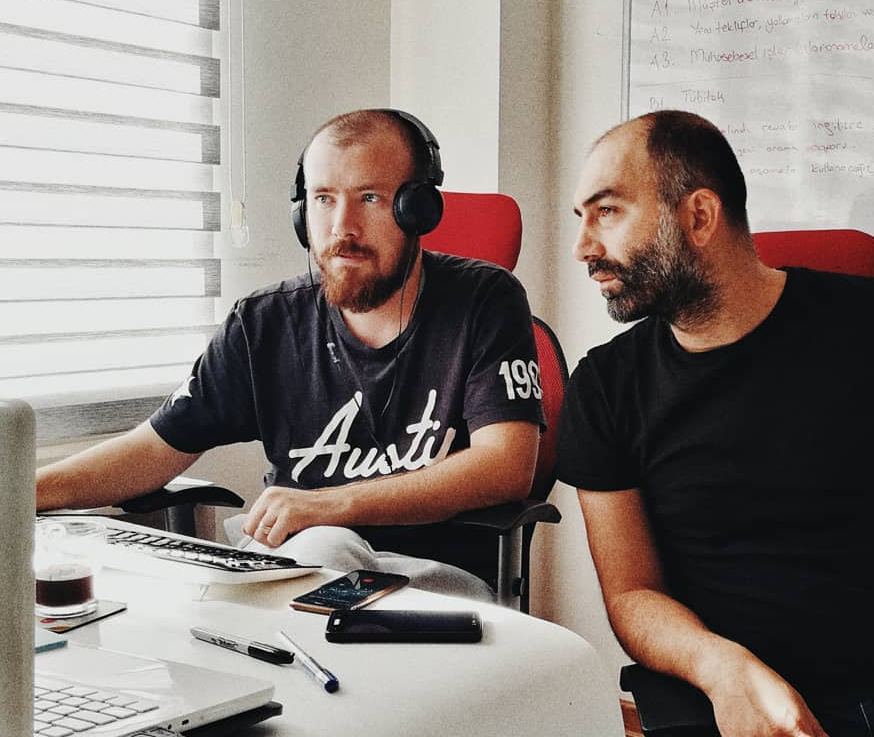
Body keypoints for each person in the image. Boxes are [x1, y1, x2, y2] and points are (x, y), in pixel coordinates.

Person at [557, 109, 874, 737]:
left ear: (699, 216)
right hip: (751, 697)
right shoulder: (605, 388)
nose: (583, 247)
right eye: (582, 217)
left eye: (607, 211)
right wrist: (723, 670)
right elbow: (632, 594)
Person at [37, 109, 544, 598]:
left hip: (433, 586)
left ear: (418, 210)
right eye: (324, 199)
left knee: (321, 548)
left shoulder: (484, 300)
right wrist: (21, 492)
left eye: (369, 197)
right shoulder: (262, 323)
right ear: (302, 214)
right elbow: (152, 450)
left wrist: (327, 506)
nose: (342, 227)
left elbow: (504, 465)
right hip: (293, 569)